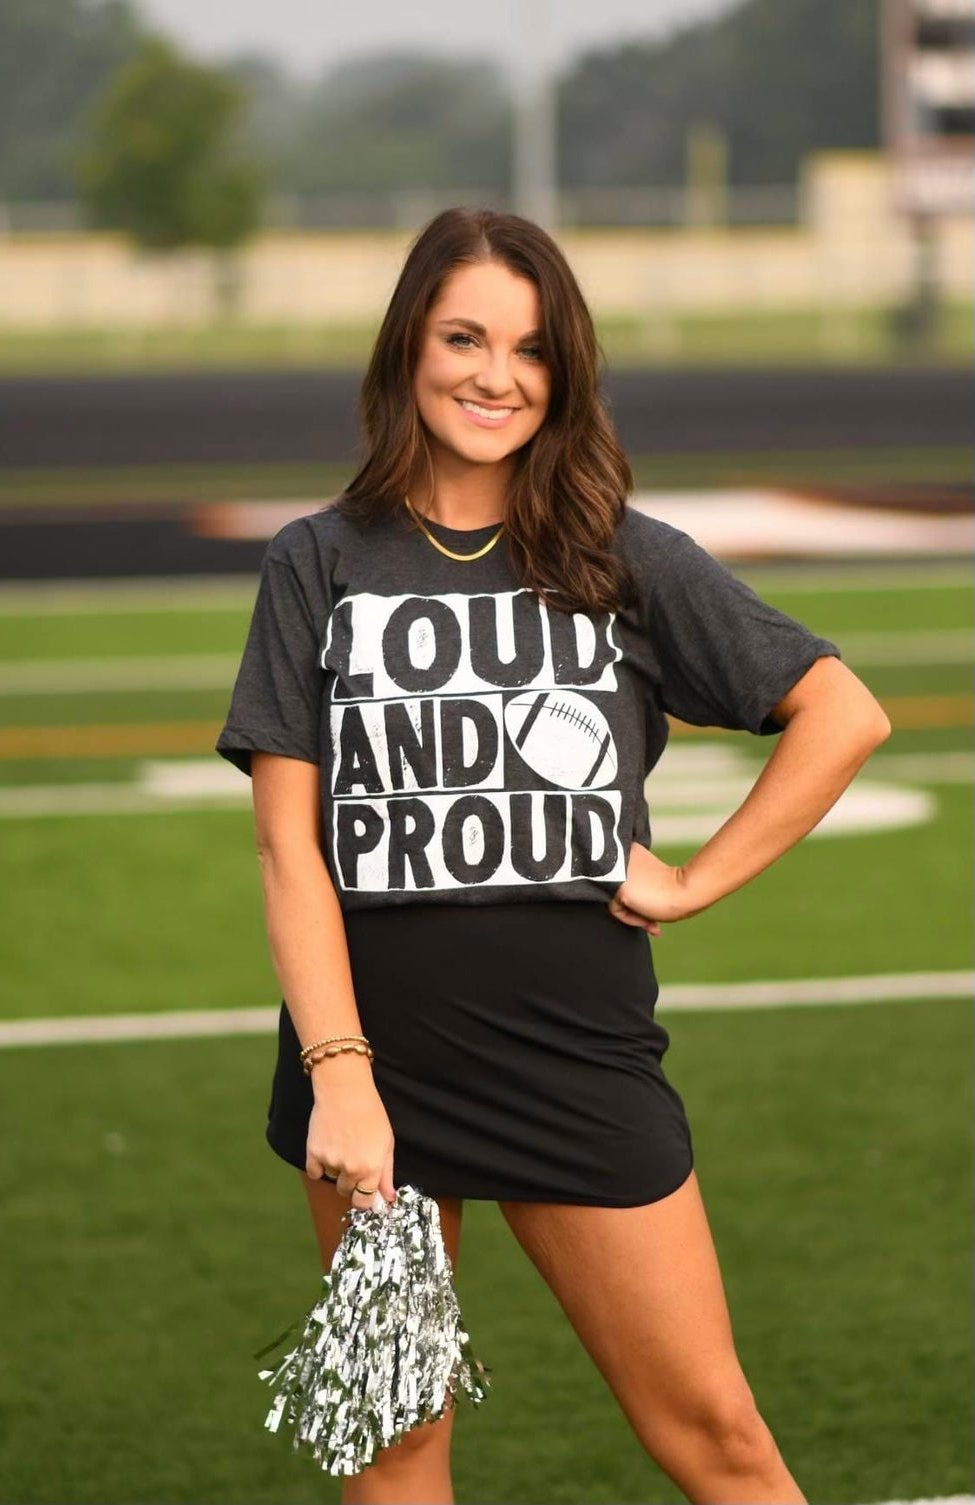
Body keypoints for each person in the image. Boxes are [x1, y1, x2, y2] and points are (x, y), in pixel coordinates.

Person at [215, 207, 890, 1505]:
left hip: (579, 1058)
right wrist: (342, 1079)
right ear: (409, 345)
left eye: (529, 349)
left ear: (563, 372)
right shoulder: (321, 560)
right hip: (379, 1075)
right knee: (396, 1442)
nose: (494, 373)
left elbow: (839, 710)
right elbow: (287, 848)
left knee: (718, 1433)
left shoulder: (619, 555)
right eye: (463, 335)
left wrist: (694, 878)